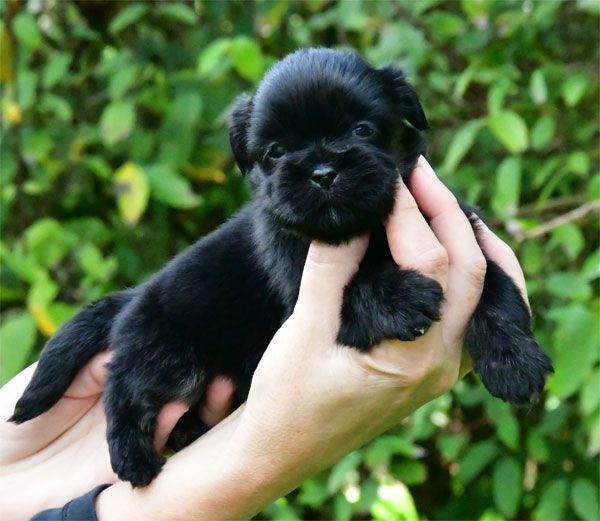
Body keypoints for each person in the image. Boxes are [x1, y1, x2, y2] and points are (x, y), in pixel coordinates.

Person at [0, 158, 530, 521]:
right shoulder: (276, 238)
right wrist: (247, 466)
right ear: (252, 162)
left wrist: (505, 339)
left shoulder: (416, 201)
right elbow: (331, 312)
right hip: (190, 322)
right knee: (149, 377)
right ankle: (127, 432)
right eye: (278, 152)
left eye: (362, 130)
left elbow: (482, 274)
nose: (322, 168)